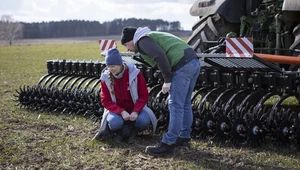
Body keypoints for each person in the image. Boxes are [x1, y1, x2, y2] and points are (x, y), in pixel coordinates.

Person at [120, 26, 200, 156]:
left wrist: (167, 79)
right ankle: (184, 138)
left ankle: (168, 144)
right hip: (193, 63)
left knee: (175, 105)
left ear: (131, 39)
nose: (127, 49)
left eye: (126, 44)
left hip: (182, 66)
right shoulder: (151, 36)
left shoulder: (142, 40)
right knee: (184, 104)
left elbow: (159, 56)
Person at [92, 48, 157, 144]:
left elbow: (144, 95)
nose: (111, 69)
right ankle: (118, 133)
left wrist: (136, 111)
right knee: (114, 122)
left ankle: (134, 132)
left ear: (120, 64)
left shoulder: (135, 74)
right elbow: (105, 100)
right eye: (108, 66)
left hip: (135, 109)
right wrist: (121, 111)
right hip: (117, 111)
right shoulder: (106, 78)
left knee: (143, 120)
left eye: (113, 66)